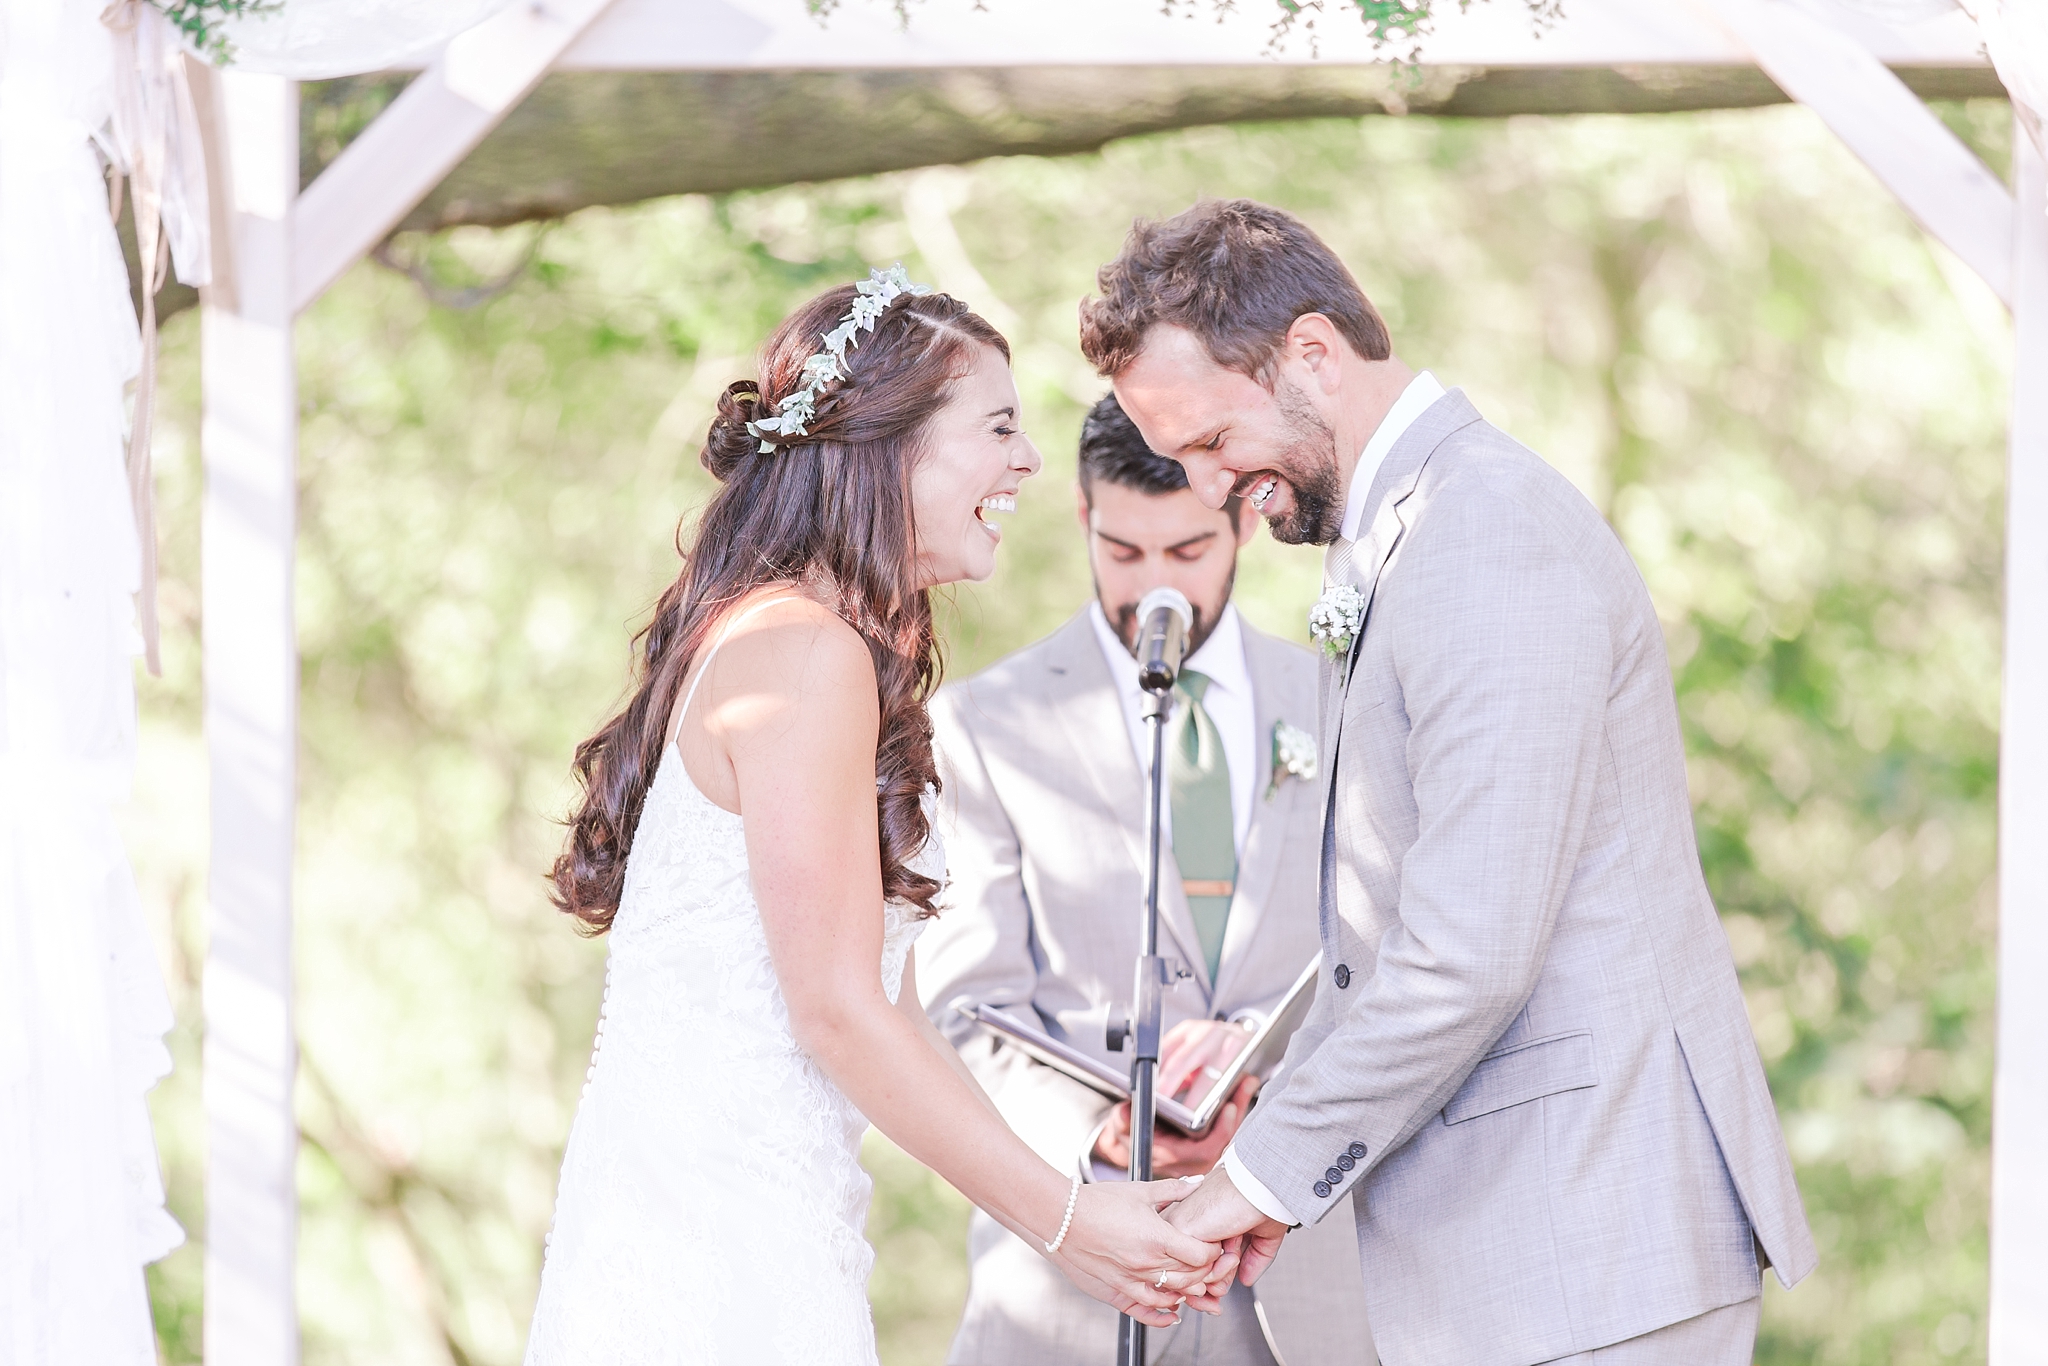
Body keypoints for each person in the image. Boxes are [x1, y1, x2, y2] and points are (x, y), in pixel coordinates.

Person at [1080, 201, 1818, 1366]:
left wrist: (1258, 1179)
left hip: (1585, 1250)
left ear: (1311, 356)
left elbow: (1468, 948)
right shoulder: (1412, 535)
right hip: (1523, 1259)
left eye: (1214, 442)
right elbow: (1374, 935)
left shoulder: (1485, 537)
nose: (1213, 487)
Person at [523, 269, 1233, 1366]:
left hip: (750, 1218)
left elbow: (888, 1003)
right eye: (997, 425)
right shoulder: (804, 652)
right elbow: (840, 1013)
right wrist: (1064, 1226)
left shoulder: (793, 641)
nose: (1028, 461)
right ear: (890, 444)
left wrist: (1071, 1204)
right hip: (716, 1249)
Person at [918, 394, 1373, 1366]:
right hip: (1063, 1298)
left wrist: (1280, 1114)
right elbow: (959, 1007)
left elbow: (1387, 970)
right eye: (1123, 552)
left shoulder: (1339, 705)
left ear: (1245, 517)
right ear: (1083, 517)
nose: (1154, 587)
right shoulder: (981, 729)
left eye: (1186, 551)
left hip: (1295, 1291)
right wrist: (1099, 1132)